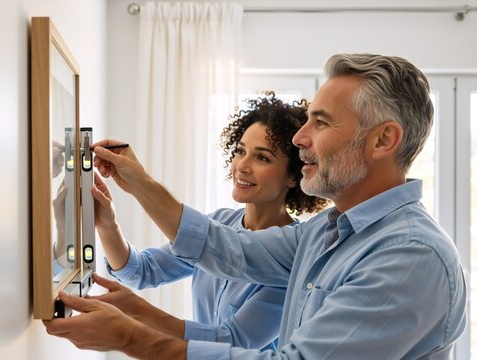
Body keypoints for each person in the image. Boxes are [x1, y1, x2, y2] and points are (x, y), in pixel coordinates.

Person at [43, 53, 467, 359]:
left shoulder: (409, 255)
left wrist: (132, 336)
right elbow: (223, 247)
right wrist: (136, 183)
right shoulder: (325, 231)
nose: (302, 139)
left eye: (320, 122)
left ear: (383, 140)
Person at [87, 93, 327, 351]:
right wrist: (107, 224)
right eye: (240, 151)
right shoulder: (220, 223)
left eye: (262, 158)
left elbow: (231, 341)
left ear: (294, 175)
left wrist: (137, 310)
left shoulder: (292, 259)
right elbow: (141, 271)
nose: (241, 166)